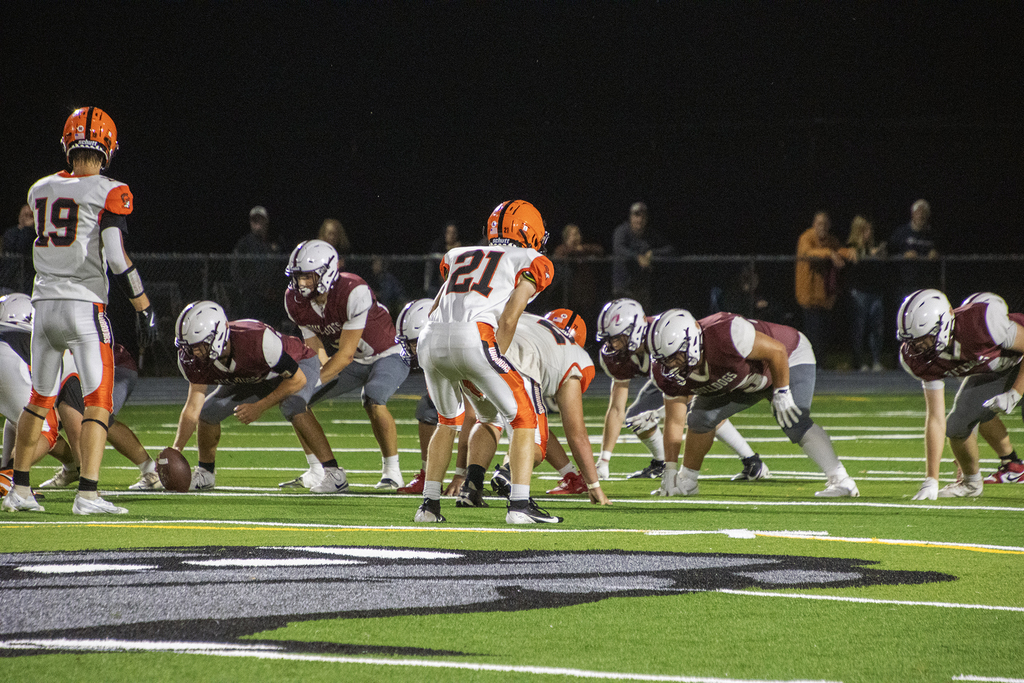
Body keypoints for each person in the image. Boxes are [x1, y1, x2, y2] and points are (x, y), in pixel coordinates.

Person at [2, 107, 158, 516]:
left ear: (67, 145)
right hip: (84, 306)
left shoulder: (40, 189)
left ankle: (19, 488)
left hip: (43, 306)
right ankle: (88, 493)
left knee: (38, 399)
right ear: (108, 147)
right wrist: (143, 306)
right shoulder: (110, 190)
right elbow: (117, 256)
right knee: (99, 400)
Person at [414, 199, 558, 524]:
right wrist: (492, 365)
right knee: (523, 416)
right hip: (473, 337)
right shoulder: (532, 259)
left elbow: (435, 309)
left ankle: (429, 507)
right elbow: (508, 320)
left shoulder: (458, 254)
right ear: (530, 231)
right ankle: (520, 506)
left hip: (430, 338)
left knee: (447, 421)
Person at [646, 308, 860, 498]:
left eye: (674, 357)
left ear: (691, 342)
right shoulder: (665, 373)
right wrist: (670, 470)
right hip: (744, 379)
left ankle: (842, 481)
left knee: (793, 420)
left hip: (787, 356)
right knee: (701, 418)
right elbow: (675, 421)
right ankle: (688, 480)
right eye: (663, 360)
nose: (669, 366)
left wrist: (782, 392)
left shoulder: (726, 334)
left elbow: (776, 351)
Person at [171, 300, 348, 494]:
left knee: (292, 405)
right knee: (207, 412)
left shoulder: (257, 340)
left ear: (218, 335)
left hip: (297, 365)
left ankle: (334, 474)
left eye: (198, 346)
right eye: (188, 347)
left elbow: (297, 380)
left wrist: (260, 406)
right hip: (255, 376)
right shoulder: (193, 359)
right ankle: (205, 473)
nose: (193, 353)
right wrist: (176, 450)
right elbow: (192, 408)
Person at [593, 298, 765, 483]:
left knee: (700, 409)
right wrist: (603, 461)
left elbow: (690, 387)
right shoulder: (616, 357)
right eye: (609, 339)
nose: (613, 346)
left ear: (634, 330)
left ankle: (752, 461)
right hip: (663, 379)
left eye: (617, 338)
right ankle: (661, 464)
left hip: (694, 370)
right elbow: (616, 408)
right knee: (636, 416)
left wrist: (657, 413)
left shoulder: (662, 336)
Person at [283, 239, 409, 490]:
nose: (301, 283)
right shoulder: (294, 301)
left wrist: (312, 380)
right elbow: (315, 347)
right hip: (350, 359)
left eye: (308, 277)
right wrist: (307, 382)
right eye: (298, 277)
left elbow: (346, 355)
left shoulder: (353, 290)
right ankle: (319, 470)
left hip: (387, 353)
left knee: (373, 397)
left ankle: (392, 472)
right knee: (295, 401)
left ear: (327, 272)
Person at [455, 309, 610, 507]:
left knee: (487, 419)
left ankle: (471, 487)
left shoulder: (531, 320)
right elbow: (576, 433)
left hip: (475, 348)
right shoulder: (575, 356)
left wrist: (459, 473)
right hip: (520, 363)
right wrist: (594, 484)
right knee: (534, 438)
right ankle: (508, 474)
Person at [896, 289, 1024, 500]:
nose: (916, 348)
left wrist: (1015, 393)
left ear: (944, 324)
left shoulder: (981, 323)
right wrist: (931, 479)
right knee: (957, 424)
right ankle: (971, 483)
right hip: (999, 371)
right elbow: (936, 418)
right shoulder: (918, 360)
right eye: (911, 341)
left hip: (1018, 363)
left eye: (923, 339)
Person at [39, 343, 162, 491]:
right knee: (37, 421)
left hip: (109, 364)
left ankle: (150, 470)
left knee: (98, 417)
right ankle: (72, 468)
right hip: (76, 368)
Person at [392, 298, 479, 496]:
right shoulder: (436, 353)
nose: (411, 350)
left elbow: (472, 417)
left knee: (502, 419)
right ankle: (428, 476)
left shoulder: (457, 350)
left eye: (414, 343)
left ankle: (483, 477)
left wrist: (460, 475)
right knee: (429, 408)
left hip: (498, 381)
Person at [794, 211, 855, 356]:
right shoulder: (806, 237)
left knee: (824, 334)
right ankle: (811, 365)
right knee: (812, 334)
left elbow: (838, 251)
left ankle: (821, 365)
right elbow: (808, 253)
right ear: (814, 224)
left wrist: (850, 252)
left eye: (825, 224)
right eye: (819, 223)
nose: (822, 227)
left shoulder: (830, 240)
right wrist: (829, 253)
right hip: (809, 297)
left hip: (825, 298)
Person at [611, 202, 673, 312]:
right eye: (636, 216)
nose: (639, 220)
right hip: (623, 287)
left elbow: (669, 249)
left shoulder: (650, 233)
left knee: (643, 320)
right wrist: (637, 257)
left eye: (642, 216)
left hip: (642, 288)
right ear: (630, 217)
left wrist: (652, 253)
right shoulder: (622, 231)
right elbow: (618, 248)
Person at [844, 216, 887, 371]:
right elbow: (853, 264)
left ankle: (876, 361)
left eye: (870, 230)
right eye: (864, 230)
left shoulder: (874, 247)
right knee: (859, 328)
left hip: (875, 292)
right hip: (859, 293)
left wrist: (880, 254)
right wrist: (865, 253)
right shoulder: (851, 246)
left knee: (876, 328)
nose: (868, 233)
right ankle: (859, 362)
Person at [232, 205, 283, 325]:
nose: (257, 223)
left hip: (273, 297)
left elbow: (282, 268)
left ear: (267, 221)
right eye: (254, 220)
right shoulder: (244, 243)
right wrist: (246, 289)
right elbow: (236, 270)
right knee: (252, 329)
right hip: (252, 298)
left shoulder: (275, 241)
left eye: (261, 219)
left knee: (273, 330)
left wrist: (277, 289)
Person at [551, 223, 605, 325]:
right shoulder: (562, 250)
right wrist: (574, 250)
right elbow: (558, 254)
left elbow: (599, 250)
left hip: (586, 295)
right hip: (567, 296)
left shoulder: (584, 250)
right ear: (566, 237)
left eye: (577, 234)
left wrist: (581, 249)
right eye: (573, 234)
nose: (576, 237)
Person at [887, 199, 940, 300]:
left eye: (924, 213)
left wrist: (936, 253)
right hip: (906, 285)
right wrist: (903, 255)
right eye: (918, 213)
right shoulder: (901, 232)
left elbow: (941, 251)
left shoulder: (933, 234)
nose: (921, 216)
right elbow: (889, 250)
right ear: (913, 214)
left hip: (926, 285)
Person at [2, 204, 36, 293]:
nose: (26, 218)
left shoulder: (36, 235)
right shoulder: (11, 232)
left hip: (28, 282)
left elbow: (24, 247)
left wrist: (28, 229)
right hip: (10, 280)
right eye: (24, 215)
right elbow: (13, 248)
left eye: (30, 216)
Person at [424, 221, 462, 297]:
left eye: (454, 233)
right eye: (449, 233)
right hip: (437, 286)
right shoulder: (438, 247)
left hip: (456, 285)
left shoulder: (461, 249)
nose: (451, 235)